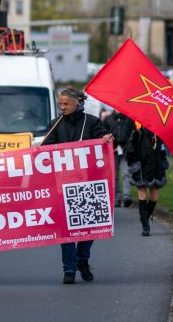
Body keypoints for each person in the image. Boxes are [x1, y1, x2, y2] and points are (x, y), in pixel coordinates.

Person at [41, 86, 113, 285]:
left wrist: (106, 139)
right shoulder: (55, 124)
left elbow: (103, 139)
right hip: (62, 186)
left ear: (78, 103)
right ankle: (69, 269)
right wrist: (39, 150)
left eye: (66, 104)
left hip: (88, 185)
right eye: (60, 104)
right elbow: (47, 149)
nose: (62, 107)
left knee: (88, 230)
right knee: (66, 231)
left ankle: (83, 260)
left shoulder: (92, 122)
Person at [125, 125, 168, 237]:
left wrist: (163, 163)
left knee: (154, 198)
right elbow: (129, 152)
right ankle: (145, 226)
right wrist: (135, 165)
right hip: (141, 171)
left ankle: (144, 217)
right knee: (143, 196)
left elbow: (163, 153)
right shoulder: (138, 134)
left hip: (156, 170)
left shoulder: (159, 135)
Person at [102, 110, 135, 208]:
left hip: (126, 150)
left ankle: (126, 196)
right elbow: (104, 134)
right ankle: (117, 197)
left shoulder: (129, 119)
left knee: (126, 173)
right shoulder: (108, 119)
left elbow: (133, 134)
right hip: (113, 150)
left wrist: (129, 146)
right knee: (114, 175)